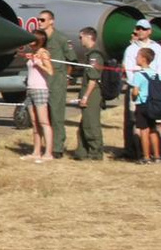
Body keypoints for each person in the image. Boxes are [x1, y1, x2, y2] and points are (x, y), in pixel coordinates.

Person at [122, 19, 161, 159]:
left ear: (149, 31)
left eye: (143, 29)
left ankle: (156, 152)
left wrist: (156, 84)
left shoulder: (156, 48)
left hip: (154, 90)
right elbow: (128, 69)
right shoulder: (131, 49)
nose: (140, 31)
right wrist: (136, 84)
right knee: (134, 121)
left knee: (154, 123)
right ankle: (135, 151)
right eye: (138, 28)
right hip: (137, 88)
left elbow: (160, 68)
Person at [38, 10, 74, 158]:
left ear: (51, 21)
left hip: (57, 81)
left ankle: (57, 147)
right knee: (43, 116)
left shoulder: (61, 39)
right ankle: (46, 146)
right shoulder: (40, 39)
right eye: (39, 20)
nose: (40, 22)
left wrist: (67, 76)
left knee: (57, 115)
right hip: (42, 81)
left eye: (42, 20)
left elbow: (70, 59)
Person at [72, 27, 105, 160]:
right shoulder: (90, 55)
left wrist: (85, 96)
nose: (80, 40)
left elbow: (93, 79)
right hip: (88, 92)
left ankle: (95, 153)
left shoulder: (95, 56)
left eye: (81, 37)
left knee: (91, 124)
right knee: (84, 123)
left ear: (89, 37)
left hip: (92, 94)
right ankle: (82, 152)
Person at [23, 29, 54, 162]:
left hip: (40, 89)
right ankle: (36, 151)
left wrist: (39, 64)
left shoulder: (43, 53)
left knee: (44, 122)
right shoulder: (33, 53)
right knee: (35, 122)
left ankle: (48, 153)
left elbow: (51, 71)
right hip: (30, 89)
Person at [128, 46, 161, 164]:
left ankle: (146, 156)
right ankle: (157, 155)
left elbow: (135, 92)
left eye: (137, 56)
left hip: (142, 105)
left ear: (143, 59)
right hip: (153, 104)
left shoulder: (138, 75)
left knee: (144, 131)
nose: (136, 58)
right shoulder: (155, 73)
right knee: (153, 130)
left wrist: (133, 97)